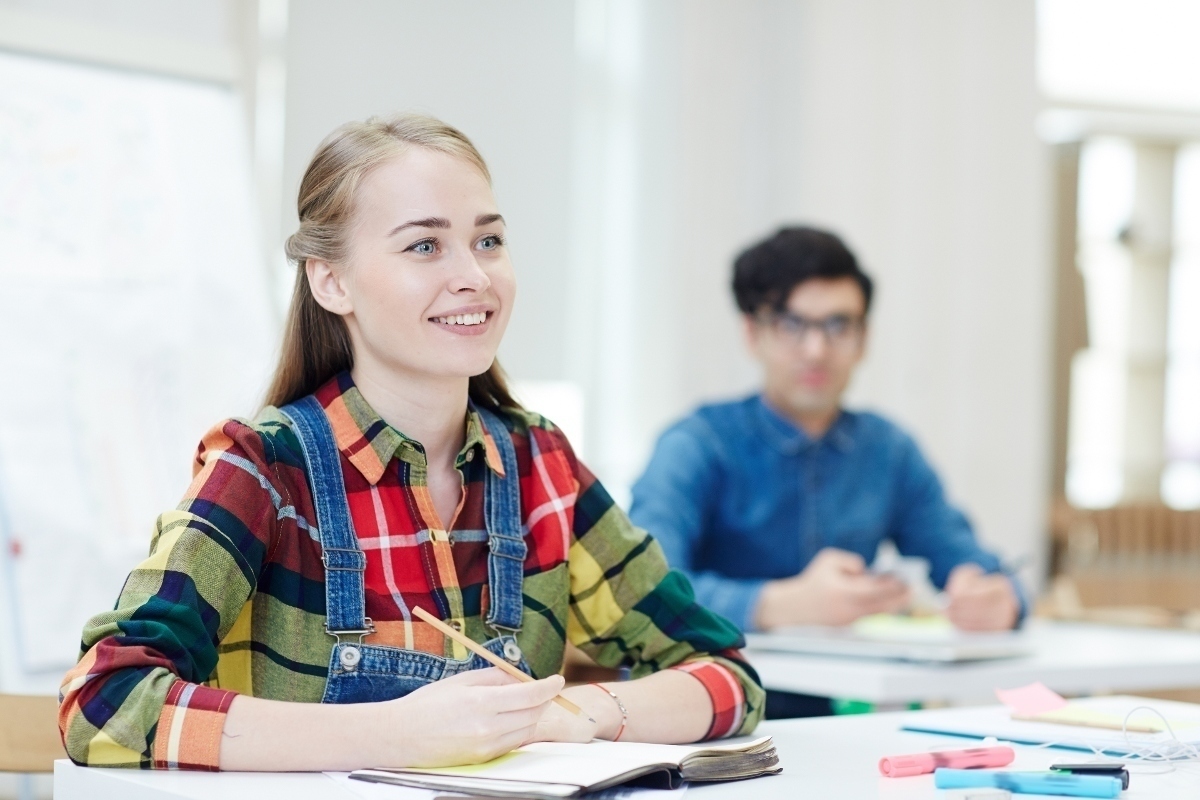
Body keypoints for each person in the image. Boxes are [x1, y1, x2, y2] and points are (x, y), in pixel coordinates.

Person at [59, 114, 763, 772]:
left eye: (488, 240)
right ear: (332, 281)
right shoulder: (266, 469)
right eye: (425, 245)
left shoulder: (541, 466)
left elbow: (727, 674)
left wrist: (582, 713)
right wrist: (397, 733)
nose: (475, 276)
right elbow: (103, 705)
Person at [629, 227, 1023, 717]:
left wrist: (999, 598)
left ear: (863, 339)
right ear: (752, 333)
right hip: (701, 718)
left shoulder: (888, 451)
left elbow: (972, 563)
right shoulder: (696, 444)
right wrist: (780, 604)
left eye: (839, 325)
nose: (817, 349)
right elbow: (641, 591)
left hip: (841, 721)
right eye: (792, 324)